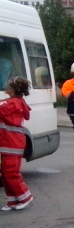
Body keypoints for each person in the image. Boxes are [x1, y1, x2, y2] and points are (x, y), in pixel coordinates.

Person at [0, 76, 33, 210]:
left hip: (12, 143)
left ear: (13, 90)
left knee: (10, 173)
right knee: (5, 173)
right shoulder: (15, 102)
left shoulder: (12, 103)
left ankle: (25, 197)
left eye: (8, 86)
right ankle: (13, 201)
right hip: (9, 143)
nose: (5, 87)